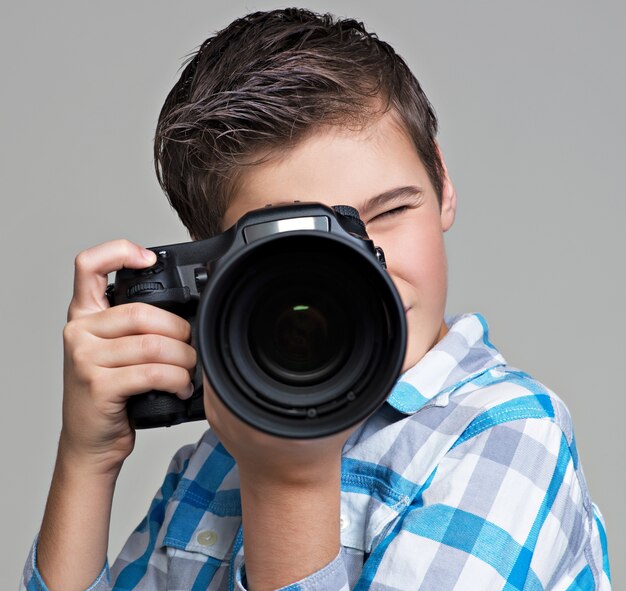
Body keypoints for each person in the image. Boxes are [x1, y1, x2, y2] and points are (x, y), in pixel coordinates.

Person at [21, 8, 611, 591]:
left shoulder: (509, 435)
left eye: (391, 211)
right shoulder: (216, 458)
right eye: (306, 252)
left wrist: (288, 484)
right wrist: (86, 460)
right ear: (222, 272)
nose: (364, 269)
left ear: (442, 180)